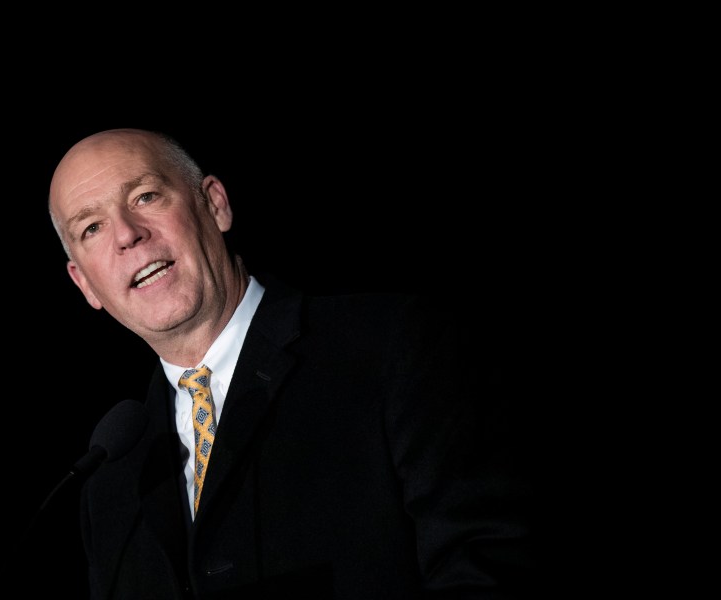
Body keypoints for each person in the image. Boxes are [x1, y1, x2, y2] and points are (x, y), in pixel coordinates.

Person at [47, 128, 537, 599]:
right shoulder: (109, 481)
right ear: (84, 284)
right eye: (92, 227)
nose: (128, 235)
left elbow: (488, 568)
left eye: (146, 197)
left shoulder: (392, 347)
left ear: (214, 204)